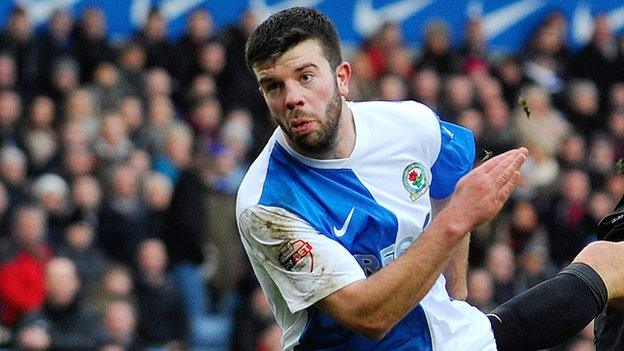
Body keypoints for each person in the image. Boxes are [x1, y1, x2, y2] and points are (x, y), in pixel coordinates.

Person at [236, 7, 624, 351]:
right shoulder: (267, 204)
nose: (291, 98)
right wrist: (459, 218)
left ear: (342, 77)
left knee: (610, 259)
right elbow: (367, 317)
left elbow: (449, 178)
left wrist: (457, 294)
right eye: (274, 85)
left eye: (305, 77)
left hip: (454, 335)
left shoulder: (410, 124)